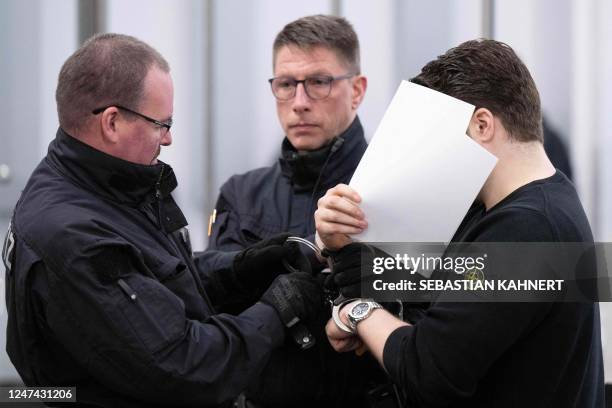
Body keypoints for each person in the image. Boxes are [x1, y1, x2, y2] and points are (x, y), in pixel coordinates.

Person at [2, 33, 324, 407]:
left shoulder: (98, 186)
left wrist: (239, 268)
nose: (168, 138)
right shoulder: (74, 236)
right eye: (162, 123)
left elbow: (157, 277)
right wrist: (277, 311)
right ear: (112, 123)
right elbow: (186, 366)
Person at [315, 39, 604, 407]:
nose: (431, 152)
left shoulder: (525, 229)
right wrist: (337, 242)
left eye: (438, 132)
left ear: (482, 124)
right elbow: (437, 304)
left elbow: (428, 369)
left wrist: (359, 312)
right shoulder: (535, 205)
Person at [197, 15, 387, 407]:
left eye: (319, 82)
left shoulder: (394, 188)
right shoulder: (240, 193)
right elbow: (214, 307)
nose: (299, 103)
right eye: (286, 85)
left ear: (357, 90)